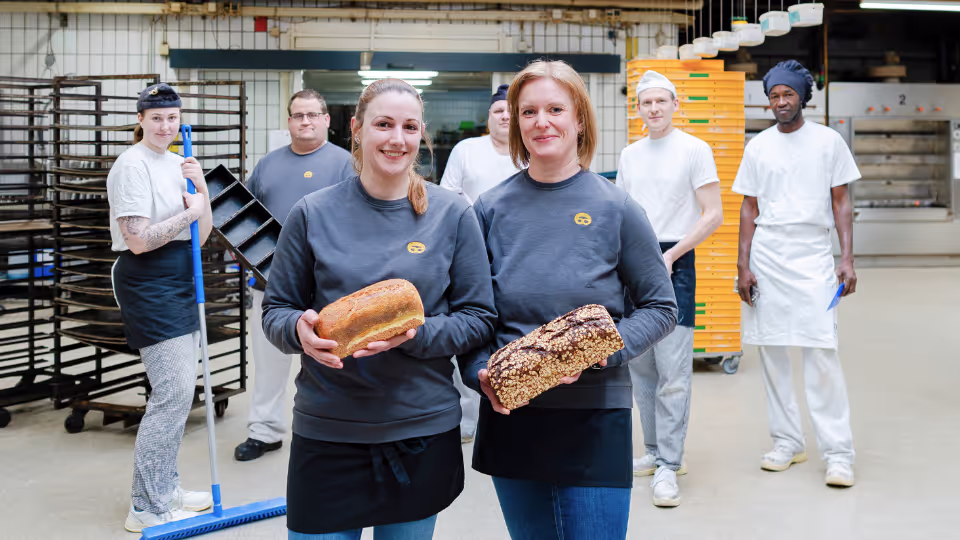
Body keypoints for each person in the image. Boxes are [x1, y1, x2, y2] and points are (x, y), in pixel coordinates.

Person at [261, 78, 497, 539]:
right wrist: (299, 331)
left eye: (410, 127)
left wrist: (413, 334)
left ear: (421, 133)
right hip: (329, 428)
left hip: (419, 428)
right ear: (356, 128)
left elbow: (479, 319)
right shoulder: (312, 213)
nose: (397, 139)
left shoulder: (452, 214)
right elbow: (277, 310)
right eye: (384, 124)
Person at [461, 61, 678, 540]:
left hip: (594, 415)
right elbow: (472, 313)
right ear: (515, 122)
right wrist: (478, 372)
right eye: (529, 111)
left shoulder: (616, 207)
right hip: (512, 413)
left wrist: (600, 349)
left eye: (555, 109)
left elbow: (661, 308)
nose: (542, 122)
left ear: (579, 118)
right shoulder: (489, 209)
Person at [733, 60, 859, 488]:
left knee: (821, 351)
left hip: (812, 255)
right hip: (768, 254)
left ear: (804, 97)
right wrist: (742, 266)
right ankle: (788, 441)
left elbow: (841, 203)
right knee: (771, 351)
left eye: (788, 94)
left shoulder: (828, 141)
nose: (781, 102)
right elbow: (748, 208)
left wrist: (847, 258)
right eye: (774, 95)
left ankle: (838, 452)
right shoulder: (758, 147)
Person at [107, 83, 214, 532]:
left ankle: (166, 487)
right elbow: (137, 240)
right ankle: (146, 506)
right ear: (141, 119)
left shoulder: (178, 163)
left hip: (178, 276)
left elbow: (202, 234)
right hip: (146, 280)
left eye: (172, 117)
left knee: (180, 393)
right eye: (156, 118)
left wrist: (201, 188)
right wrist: (190, 212)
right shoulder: (132, 165)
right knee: (170, 396)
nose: (165, 126)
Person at [615, 70, 724, 507]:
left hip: (675, 260)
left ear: (676, 105)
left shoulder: (695, 149)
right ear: (638, 108)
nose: (654, 108)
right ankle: (654, 450)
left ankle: (670, 464)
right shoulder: (630, 154)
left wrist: (673, 254)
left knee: (674, 371)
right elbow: (621, 211)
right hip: (634, 261)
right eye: (647, 102)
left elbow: (712, 214)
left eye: (662, 101)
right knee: (640, 366)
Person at [234, 89, 354, 462]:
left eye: (313, 115)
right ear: (288, 121)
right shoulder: (268, 165)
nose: (305, 121)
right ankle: (264, 430)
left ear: (326, 120)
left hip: (327, 284)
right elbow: (243, 218)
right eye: (298, 115)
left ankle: (337, 427)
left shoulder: (346, 164)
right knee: (269, 360)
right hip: (271, 283)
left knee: (332, 359)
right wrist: (240, 254)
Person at [439, 83, 520, 444]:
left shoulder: (528, 152)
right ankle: (468, 415)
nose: (504, 115)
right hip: (469, 254)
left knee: (509, 329)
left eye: (510, 110)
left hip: (517, 255)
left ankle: (512, 400)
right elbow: (448, 195)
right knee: (470, 331)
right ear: (488, 118)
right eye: (497, 111)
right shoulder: (466, 150)